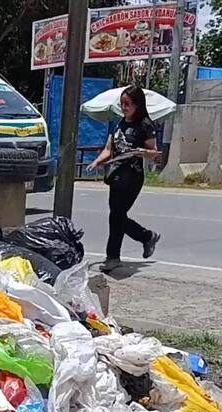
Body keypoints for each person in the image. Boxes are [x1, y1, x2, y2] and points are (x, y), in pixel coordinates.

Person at [87, 85, 162, 273]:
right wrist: (97, 161)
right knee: (116, 215)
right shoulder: (118, 124)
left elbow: (154, 152)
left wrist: (143, 152)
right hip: (116, 174)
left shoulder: (145, 124)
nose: (124, 107)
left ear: (137, 104)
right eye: (122, 104)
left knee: (117, 215)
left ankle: (131, 246)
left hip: (133, 176)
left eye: (127, 104)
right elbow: (109, 149)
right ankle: (139, 241)